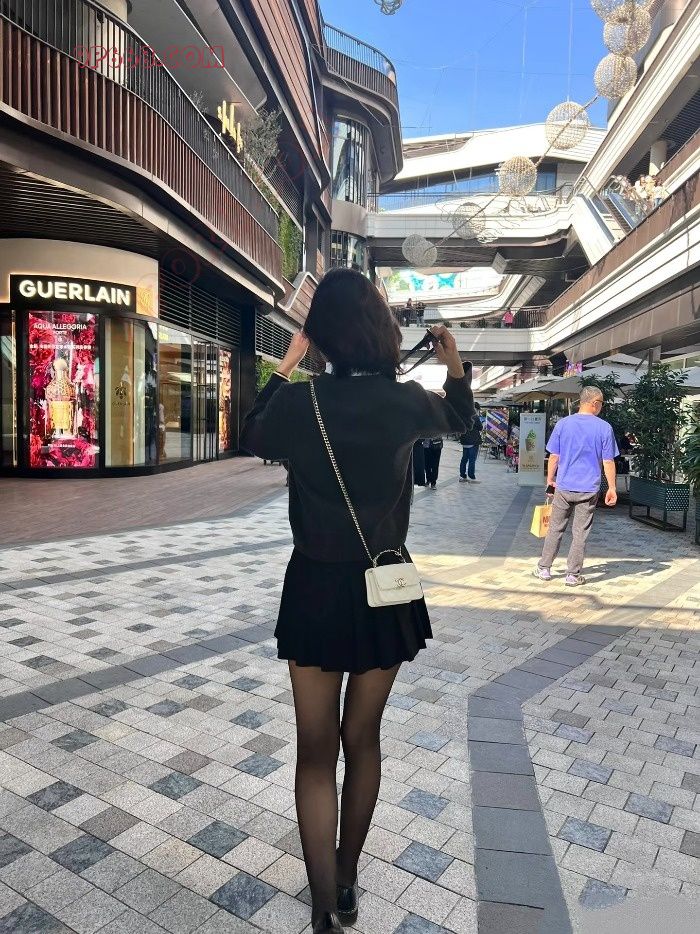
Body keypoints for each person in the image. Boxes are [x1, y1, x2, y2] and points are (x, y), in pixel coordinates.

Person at [240, 268, 473, 934]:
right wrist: (453, 360)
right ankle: (345, 882)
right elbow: (463, 421)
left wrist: (286, 363)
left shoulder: (299, 403)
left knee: (314, 752)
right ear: (379, 329)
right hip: (386, 587)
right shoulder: (407, 401)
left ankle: (321, 912)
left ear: (321, 334)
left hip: (314, 586)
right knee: (362, 741)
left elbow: (250, 435)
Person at [533, 386, 619, 587]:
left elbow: (554, 456)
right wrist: (612, 487)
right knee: (580, 532)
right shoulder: (604, 428)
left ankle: (544, 568)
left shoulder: (563, 424)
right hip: (588, 489)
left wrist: (550, 479)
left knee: (555, 528)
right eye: (602, 403)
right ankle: (572, 574)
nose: (602, 407)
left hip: (564, 486)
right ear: (594, 403)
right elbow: (608, 461)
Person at [459, 407, 482, 483]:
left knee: (464, 459)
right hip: (473, 441)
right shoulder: (475, 417)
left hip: (465, 441)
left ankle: (462, 476)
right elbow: (480, 427)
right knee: (472, 460)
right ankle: (471, 476)